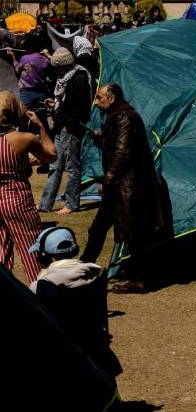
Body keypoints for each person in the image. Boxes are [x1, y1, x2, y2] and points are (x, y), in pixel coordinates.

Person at [82, 83, 170, 293]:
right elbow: (118, 146)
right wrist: (101, 139)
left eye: (100, 98)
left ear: (111, 98)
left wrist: (108, 179)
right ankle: (84, 266)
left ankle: (140, 279)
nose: (97, 102)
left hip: (127, 187)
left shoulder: (124, 117)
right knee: (99, 228)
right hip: (120, 187)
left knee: (134, 235)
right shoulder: (117, 117)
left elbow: (123, 152)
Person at [29, 225, 121, 377]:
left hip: (60, 354)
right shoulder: (94, 275)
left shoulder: (41, 286)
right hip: (96, 347)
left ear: (46, 256)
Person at [0, 92, 55, 281]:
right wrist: (40, 126)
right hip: (16, 197)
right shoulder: (22, 139)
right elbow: (51, 155)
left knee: (1, 252)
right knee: (31, 249)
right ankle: (40, 297)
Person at [38, 49, 92, 216]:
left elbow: (79, 106)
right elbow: (65, 103)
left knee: (72, 167)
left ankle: (72, 203)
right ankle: (46, 204)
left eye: (58, 68)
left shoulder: (79, 78)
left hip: (71, 128)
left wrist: (68, 124)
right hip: (62, 126)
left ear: (65, 65)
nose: (56, 71)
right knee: (55, 165)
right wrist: (54, 105)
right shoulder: (65, 78)